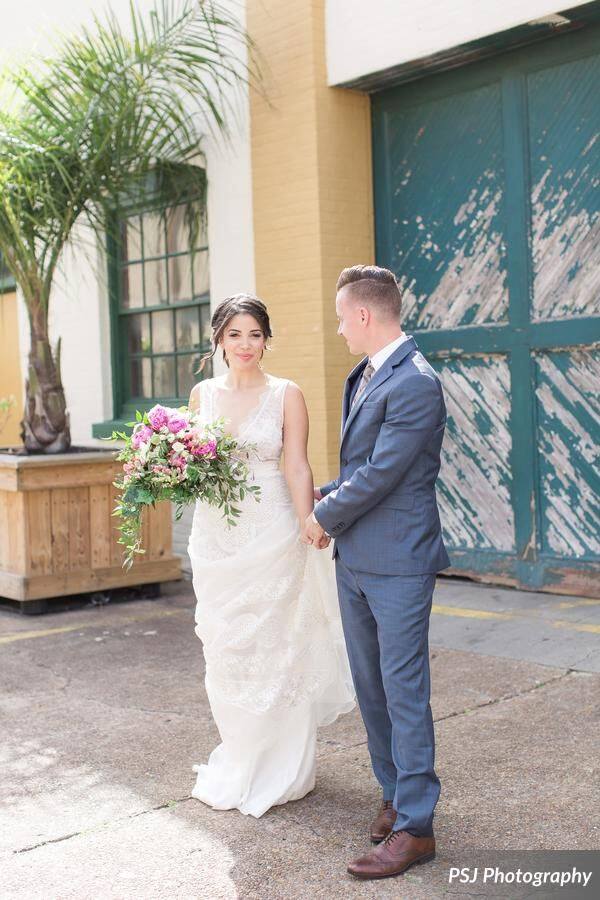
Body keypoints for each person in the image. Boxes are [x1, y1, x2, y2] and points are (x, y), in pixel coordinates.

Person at [305, 265, 450, 880]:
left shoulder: (416, 382)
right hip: (357, 560)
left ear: (364, 315)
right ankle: (393, 795)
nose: (339, 330)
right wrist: (320, 494)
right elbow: (359, 465)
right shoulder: (362, 375)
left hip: (400, 563)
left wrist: (322, 514)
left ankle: (417, 828)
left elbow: (385, 473)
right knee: (371, 686)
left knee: (404, 690)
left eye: (341, 318)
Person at [187, 293, 355, 818]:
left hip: (273, 531)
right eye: (234, 334)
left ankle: (284, 765)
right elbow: (193, 462)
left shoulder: (288, 394)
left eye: (255, 334)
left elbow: (298, 466)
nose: (245, 345)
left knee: (280, 643)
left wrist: (311, 520)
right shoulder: (201, 396)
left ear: (266, 340)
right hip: (216, 535)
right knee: (227, 647)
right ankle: (241, 755)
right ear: (218, 340)